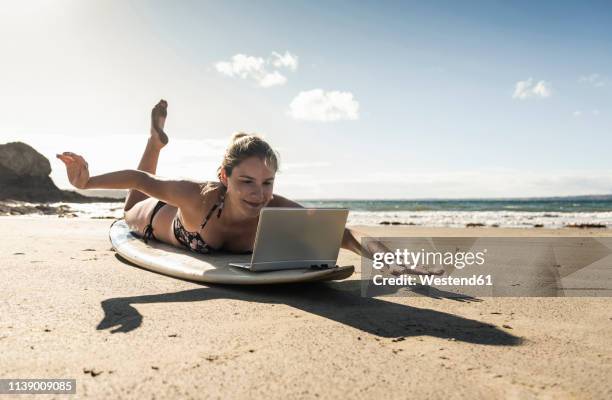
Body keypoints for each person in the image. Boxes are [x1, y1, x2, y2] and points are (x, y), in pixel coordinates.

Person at [57, 100, 442, 275]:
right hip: (158, 220)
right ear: (225, 178)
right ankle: (154, 143)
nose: (259, 194)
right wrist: (87, 182)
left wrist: (393, 259)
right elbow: (142, 181)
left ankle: (156, 142)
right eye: (246, 182)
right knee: (131, 205)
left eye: (267, 182)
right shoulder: (199, 195)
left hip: (191, 227)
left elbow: (346, 235)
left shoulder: (276, 207)